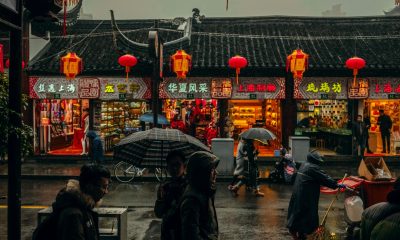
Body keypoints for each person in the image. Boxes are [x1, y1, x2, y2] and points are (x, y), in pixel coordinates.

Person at [287, 150, 345, 239]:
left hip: (299, 196)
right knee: (307, 220)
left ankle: (299, 235)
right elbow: (324, 178)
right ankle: (302, 235)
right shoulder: (312, 168)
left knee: (298, 218)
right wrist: (336, 184)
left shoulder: (304, 165)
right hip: (306, 199)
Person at [52, 164, 110, 240]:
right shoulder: (73, 215)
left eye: (107, 187)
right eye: (104, 187)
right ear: (89, 186)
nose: (106, 191)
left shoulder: (84, 206)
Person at [180, 151, 219, 240]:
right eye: (212, 170)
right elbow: (191, 236)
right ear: (202, 173)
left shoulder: (205, 191)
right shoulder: (192, 201)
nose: (216, 173)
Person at [154, 151, 188, 240]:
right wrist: (160, 200)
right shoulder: (165, 187)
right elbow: (159, 214)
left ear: (184, 167)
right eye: (171, 165)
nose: (175, 168)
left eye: (178, 164)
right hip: (167, 234)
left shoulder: (189, 186)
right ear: (167, 168)